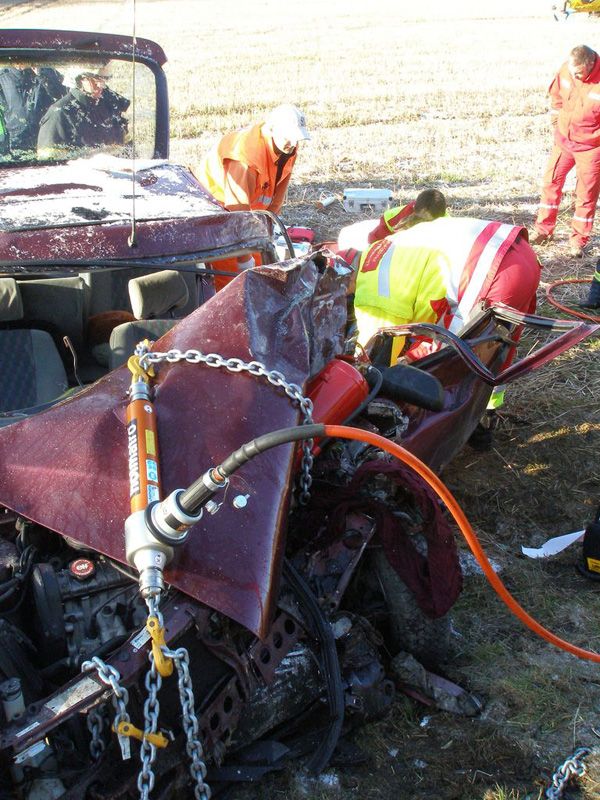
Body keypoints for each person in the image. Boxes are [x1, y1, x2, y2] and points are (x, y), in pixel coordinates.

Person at [354, 216, 541, 365]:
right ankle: (491, 406)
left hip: (493, 271)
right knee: (500, 343)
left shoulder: (371, 283)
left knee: (451, 360)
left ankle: (467, 410)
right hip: (520, 251)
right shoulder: (392, 244)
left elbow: (375, 348)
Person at [197, 103, 310, 289]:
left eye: (297, 139)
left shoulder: (287, 148)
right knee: (231, 284)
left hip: (246, 220)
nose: (293, 144)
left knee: (259, 272)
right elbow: (237, 213)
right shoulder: (245, 159)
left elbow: (275, 200)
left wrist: (267, 235)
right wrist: (244, 259)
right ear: (272, 129)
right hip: (218, 219)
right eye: (289, 138)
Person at [531, 45, 600, 258]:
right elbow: (556, 97)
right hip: (564, 141)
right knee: (551, 182)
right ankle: (543, 230)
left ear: (590, 64)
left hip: (591, 147)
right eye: (572, 71)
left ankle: (578, 239)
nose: (575, 75)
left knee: (586, 194)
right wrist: (555, 121)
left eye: (578, 72)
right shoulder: (565, 71)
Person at [37, 70, 129, 157]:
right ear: (79, 79)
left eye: (103, 79)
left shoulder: (110, 105)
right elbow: (49, 163)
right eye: (94, 79)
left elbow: (126, 147)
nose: (100, 84)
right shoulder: (59, 113)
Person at [0, 65, 66, 153]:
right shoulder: (3, 78)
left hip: (45, 138)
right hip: (14, 143)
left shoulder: (44, 72)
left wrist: (41, 75)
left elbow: (60, 98)